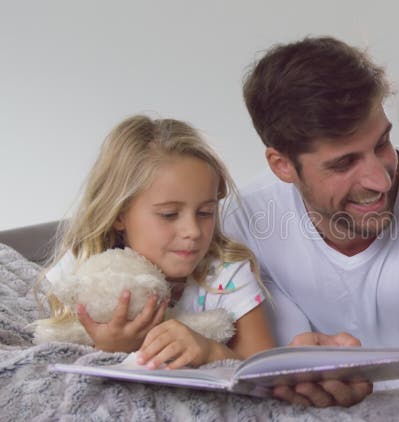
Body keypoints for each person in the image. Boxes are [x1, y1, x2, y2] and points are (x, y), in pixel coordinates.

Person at [224, 36, 399, 407]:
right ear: (282, 165)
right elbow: (260, 372)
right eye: (344, 163)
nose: (380, 180)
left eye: (381, 144)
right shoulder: (244, 225)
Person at [38, 115, 274, 369]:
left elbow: (267, 370)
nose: (192, 231)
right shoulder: (85, 268)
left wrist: (211, 351)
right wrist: (108, 349)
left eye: (205, 212)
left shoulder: (227, 276)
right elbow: (56, 352)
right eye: (169, 214)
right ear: (119, 214)